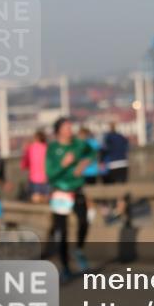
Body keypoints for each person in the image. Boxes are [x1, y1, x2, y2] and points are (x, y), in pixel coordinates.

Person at [46, 117, 96, 279]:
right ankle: (65, 266)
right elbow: (50, 174)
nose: (70, 130)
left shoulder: (78, 144)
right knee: (62, 230)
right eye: (66, 127)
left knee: (84, 221)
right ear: (58, 130)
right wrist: (64, 164)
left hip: (77, 189)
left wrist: (83, 164)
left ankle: (79, 249)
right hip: (60, 192)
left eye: (70, 126)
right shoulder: (53, 149)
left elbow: (92, 151)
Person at [100, 122, 130, 221]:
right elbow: (126, 144)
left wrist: (101, 160)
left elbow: (104, 149)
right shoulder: (121, 137)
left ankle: (115, 209)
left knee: (113, 187)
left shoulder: (108, 137)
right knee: (122, 186)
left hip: (113, 164)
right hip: (124, 163)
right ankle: (120, 208)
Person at [20, 129, 49, 203]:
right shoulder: (47, 148)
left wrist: (23, 166)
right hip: (46, 178)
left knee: (35, 200)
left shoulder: (30, 148)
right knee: (46, 200)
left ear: (36, 138)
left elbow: (25, 162)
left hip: (34, 178)